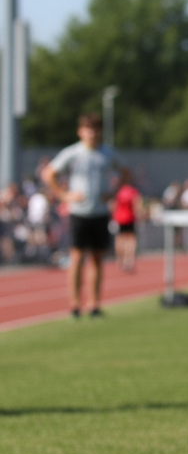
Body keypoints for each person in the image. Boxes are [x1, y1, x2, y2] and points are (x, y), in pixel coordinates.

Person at [41, 112, 120, 318]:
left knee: (96, 258)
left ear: (100, 131)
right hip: (79, 212)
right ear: (80, 131)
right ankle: (75, 304)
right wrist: (64, 195)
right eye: (87, 129)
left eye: (95, 129)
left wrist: (112, 192)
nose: (91, 133)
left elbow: (125, 172)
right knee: (76, 257)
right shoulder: (73, 153)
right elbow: (49, 174)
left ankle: (94, 304)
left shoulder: (107, 153)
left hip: (100, 212)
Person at [111, 170, 142, 273]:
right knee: (131, 240)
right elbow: (137, 204)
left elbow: (113, 205)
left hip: (119, 218)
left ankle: (120, 259)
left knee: (120, 239)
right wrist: (139, 216)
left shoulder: (118, 192)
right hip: (130, 218)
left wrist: (113, 217)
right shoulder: (133, 191)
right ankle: (129, 261)